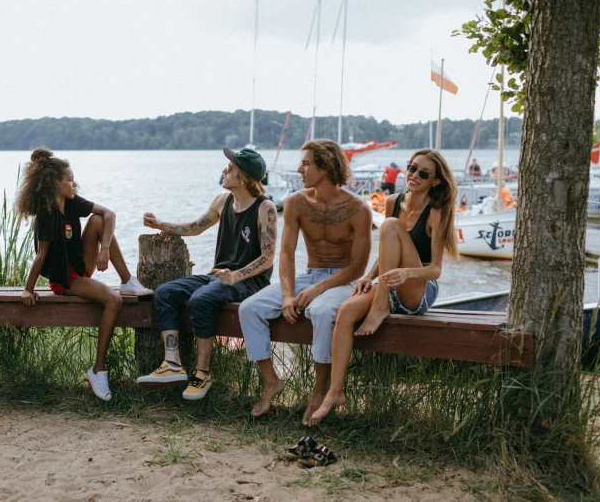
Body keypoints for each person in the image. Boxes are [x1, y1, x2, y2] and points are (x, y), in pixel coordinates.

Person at [309, 148, 458, 425]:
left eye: (423, 173)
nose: (413, 175)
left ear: (435, 181)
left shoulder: (436, 213)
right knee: (345, 312)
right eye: (412, 168)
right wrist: (368, 275)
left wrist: (406, 272)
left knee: (390, 225)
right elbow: (387, 250)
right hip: (389, 284)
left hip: (418, 288)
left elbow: (435, 268)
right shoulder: (393, 201)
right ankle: (335, 392)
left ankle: (380, 306)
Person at [238, 139, 372, 422]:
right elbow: (286, 253)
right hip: (307, 277)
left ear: (326, 167)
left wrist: (320, 288)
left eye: (307, 163)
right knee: (249, 308)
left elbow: (359, 266)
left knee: (321, 311)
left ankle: (321, 390)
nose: (300, 169)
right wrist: (288, 294)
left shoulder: (358, 209)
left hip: (341, 281)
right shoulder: (297, 202)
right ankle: (271, 382)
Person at [136, 147, 278, 401]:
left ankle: (202, 373)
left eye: (231, 168)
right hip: (218, 276)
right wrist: (161, 225)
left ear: (244, 177)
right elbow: (194, 227)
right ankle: (172, 363)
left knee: (201, 299)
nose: (225, 170)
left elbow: (267, 258)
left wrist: (236, 275)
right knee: (165, 293)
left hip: (249, 281)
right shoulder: (222, 201)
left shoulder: (264, 207)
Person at [16, 147, 152, 402]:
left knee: (99, 220)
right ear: (55, 182)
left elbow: (109, 214)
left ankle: (128, 281)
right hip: (63, 278)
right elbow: (41, 256)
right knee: (114, 300)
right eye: (69, 179)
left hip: (79, 266)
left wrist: (105, 249)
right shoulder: (47, 214)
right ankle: (98, 370)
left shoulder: (71, 203)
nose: (74, 184)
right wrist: (28, 288)